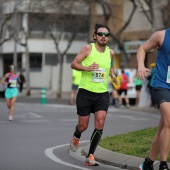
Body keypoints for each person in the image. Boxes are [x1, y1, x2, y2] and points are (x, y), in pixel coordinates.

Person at [69, 24, 118, 166]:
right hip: (86, 92)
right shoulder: (87, 48)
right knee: (83, 126)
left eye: (106, 34)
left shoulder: (111, 53)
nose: (103, 36)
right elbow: (73, 64)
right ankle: (76, 136)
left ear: (108, 38)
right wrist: (87, 68)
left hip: (102, 93)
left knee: (100, 123)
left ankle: (90, 156)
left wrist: (113, 75)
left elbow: (110, 66)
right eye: (101, 34)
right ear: (95, 36)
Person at [137, 28, 170, 170]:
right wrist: (140, 66)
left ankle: (148, 163)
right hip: (161, 85)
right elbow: (142, 49)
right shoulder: (162, 35)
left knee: (163, 127)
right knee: (169, 123)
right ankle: (163, 164)